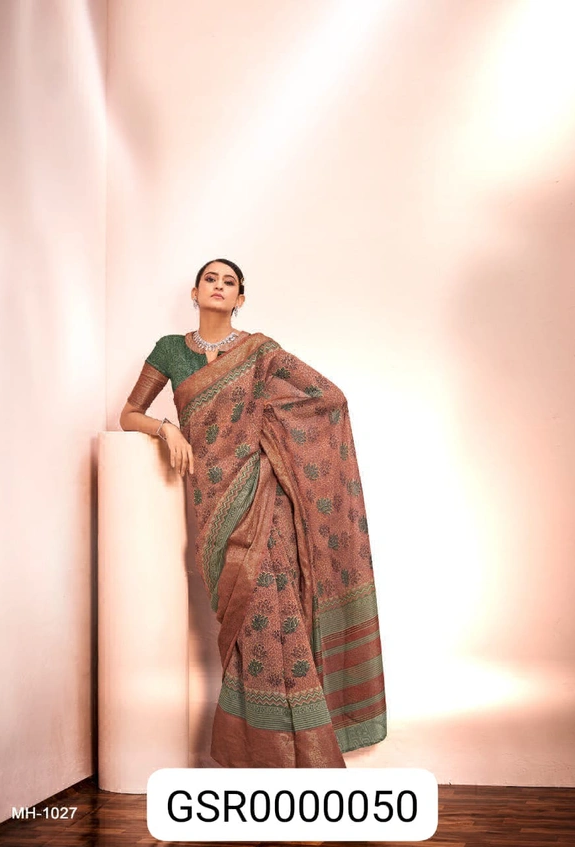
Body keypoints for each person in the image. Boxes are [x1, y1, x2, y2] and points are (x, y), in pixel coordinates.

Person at [120, 258, 387, 768]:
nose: (219, 287)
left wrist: (276, 447)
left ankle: (291, 751)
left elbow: (329, 399)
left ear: (240, 298)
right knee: (245, 618)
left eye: (230, 282)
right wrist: (167, 428)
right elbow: (129, 413)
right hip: (212, 503)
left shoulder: (261, 353)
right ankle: (262, 750)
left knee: (275, 611)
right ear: (195, 291)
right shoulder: (170, 350)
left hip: (264, 501)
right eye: (211, 279)